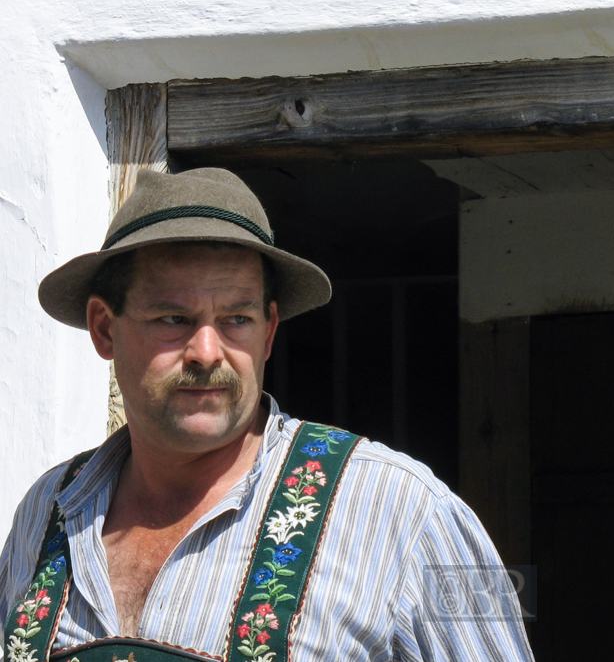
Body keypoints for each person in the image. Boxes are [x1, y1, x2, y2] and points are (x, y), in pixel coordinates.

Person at [0, 168, 534, 662]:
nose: (207, 352)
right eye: (174, 318)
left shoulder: (410, 513)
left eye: (236, 318)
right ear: (104, 328)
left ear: (269, 331)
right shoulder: (47, 513)